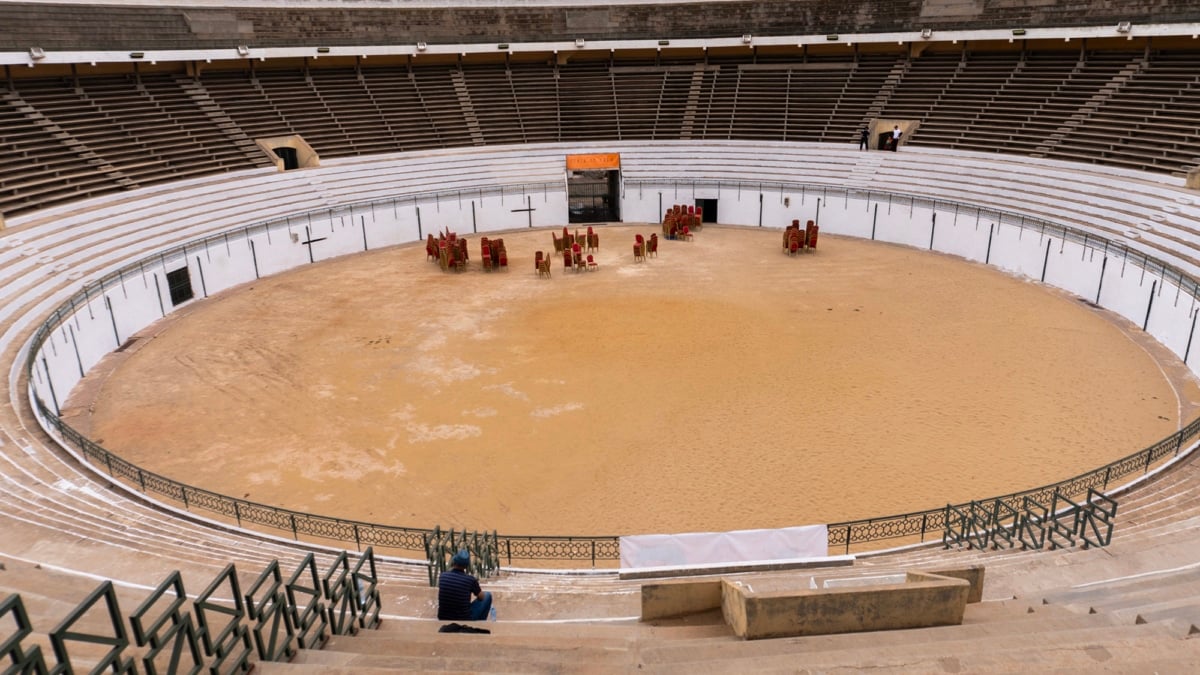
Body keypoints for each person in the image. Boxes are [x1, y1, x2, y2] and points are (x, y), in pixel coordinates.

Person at [437, 550, 493, 621]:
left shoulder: (443, 576)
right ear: (467, 566)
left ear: (454, 561)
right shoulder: (470, 580)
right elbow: (481, 597)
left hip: (443, 617)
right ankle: (480, 622)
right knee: (487, 595)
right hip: (463, 619)